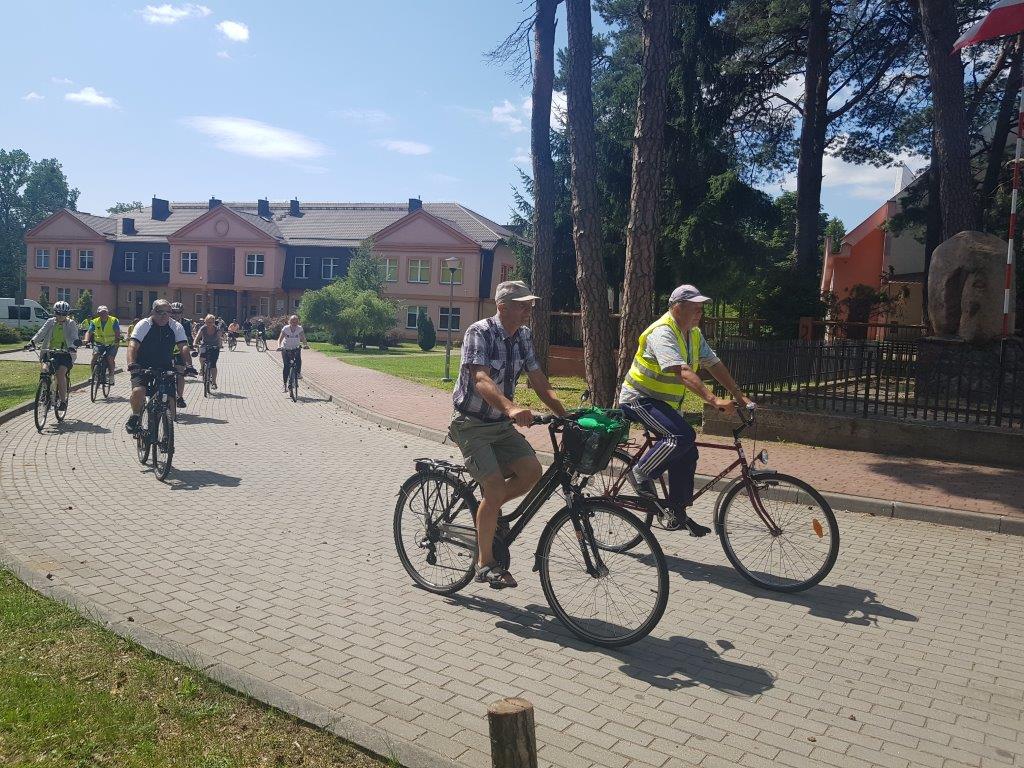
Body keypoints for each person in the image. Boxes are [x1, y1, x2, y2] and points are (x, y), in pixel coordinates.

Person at [448, 280, 568, 589]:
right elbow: (480, 378)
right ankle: (485, 563)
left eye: (530, 305)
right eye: (522, 305)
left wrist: (564, 414)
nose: (529, 310)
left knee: (532, 472)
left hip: (499, 425)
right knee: (494, 488)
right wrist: (511, 407)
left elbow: (537, 377)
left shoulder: (523, 335)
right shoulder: (479, 332)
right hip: (471, 424)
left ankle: (489, 512)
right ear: (502, 307)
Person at [617, 284, 753, 535]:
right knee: (681, 436)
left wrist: (738, 395)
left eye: (701, 308)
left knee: (688, 452)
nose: (700, 313)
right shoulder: (662, 332)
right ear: (677, 308)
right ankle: (640, 472)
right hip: (638, 398)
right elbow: (681, 370)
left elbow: (714, 364)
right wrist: (714, 400)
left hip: (663, 404)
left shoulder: (694, 334)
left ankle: (676, 512)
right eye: (695, 308)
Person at [126, 299, 192, 434]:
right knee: (138, 391)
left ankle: (166, 430)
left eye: (168, 312)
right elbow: (132, 345)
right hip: (142, 365)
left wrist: (189, 365)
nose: (164, 315)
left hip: (164, 365)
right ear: (152, 312)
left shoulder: (176, 326)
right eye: (160, 312)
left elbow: (183, 346)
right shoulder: (144, 324)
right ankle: (135, 416)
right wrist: (132, 364)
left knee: (170, 398)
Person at [30, 300, 79, 409]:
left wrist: (73, 346)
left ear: (67, 314)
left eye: (63, 314)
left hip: (65, 354)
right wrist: (32, 342)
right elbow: (41, 332)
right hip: (50, 351)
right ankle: (44, 392)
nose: (60, 316)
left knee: (60, 374)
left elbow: (74, 337)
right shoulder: (50, 321)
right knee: (44, 370)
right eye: (58, 313)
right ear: (54, 312)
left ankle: (63, 401)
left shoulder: (71, 323)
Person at [84, 305, 121, 387]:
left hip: (112, 344)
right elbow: (89, 332)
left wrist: (117, 341)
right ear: (98, 314)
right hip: (99, 343)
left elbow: (117, 332)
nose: (103, 314)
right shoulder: (95, 321)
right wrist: (86, 340)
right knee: (95, 355)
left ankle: (111, 376)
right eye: (101, 313)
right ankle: (93, 375)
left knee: (110, 358)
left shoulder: (113, 320)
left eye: (105, 312)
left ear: (107, 313)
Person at [170, 303, 193, 408]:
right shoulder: (166, 321)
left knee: (180, 373)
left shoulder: (186, 323)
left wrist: (191, 345)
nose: (175, 315)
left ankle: (180, 397)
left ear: (182, 313)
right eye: (173, 312)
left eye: (178, 312)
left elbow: (188, 336)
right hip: (167, 351)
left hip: (179, 351)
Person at [277, 315, 308, 392]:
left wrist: (305, 344)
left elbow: (303, 337)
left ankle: (298, 373)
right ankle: (285, 385)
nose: (294, 323)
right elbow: (280, 339)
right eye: (292, 321)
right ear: (289, 322)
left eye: (296, 321)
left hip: (295, 348)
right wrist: (279, 346)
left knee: (298, 360)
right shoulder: (286, 328)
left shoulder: (299, 328)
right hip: (285, 348)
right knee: (286, 366)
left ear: (298, 322)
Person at [193, 314, 223, 389]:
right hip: (205, 345)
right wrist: (195, 343)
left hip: (214, 346)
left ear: (213, 322)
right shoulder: (203, 328)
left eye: (211, 322)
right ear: (205, 322)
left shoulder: (217, 329)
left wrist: (220, 345)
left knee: (213, 364)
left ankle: (214, 382)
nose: (209, 324)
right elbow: (197, 336)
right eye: (208, 322)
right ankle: (202, 368)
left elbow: (219, 338)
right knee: (201, 357)